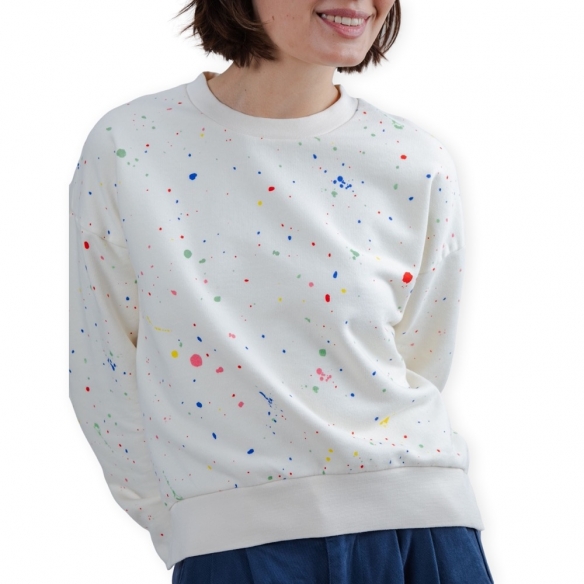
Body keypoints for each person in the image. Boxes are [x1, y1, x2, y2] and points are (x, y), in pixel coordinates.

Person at [68, 1, 495, 582]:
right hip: (236, 544)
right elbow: (103, 371)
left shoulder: (415, 161)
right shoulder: (132, 146)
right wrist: (190, 527)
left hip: (421, 533)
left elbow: (422, 356)